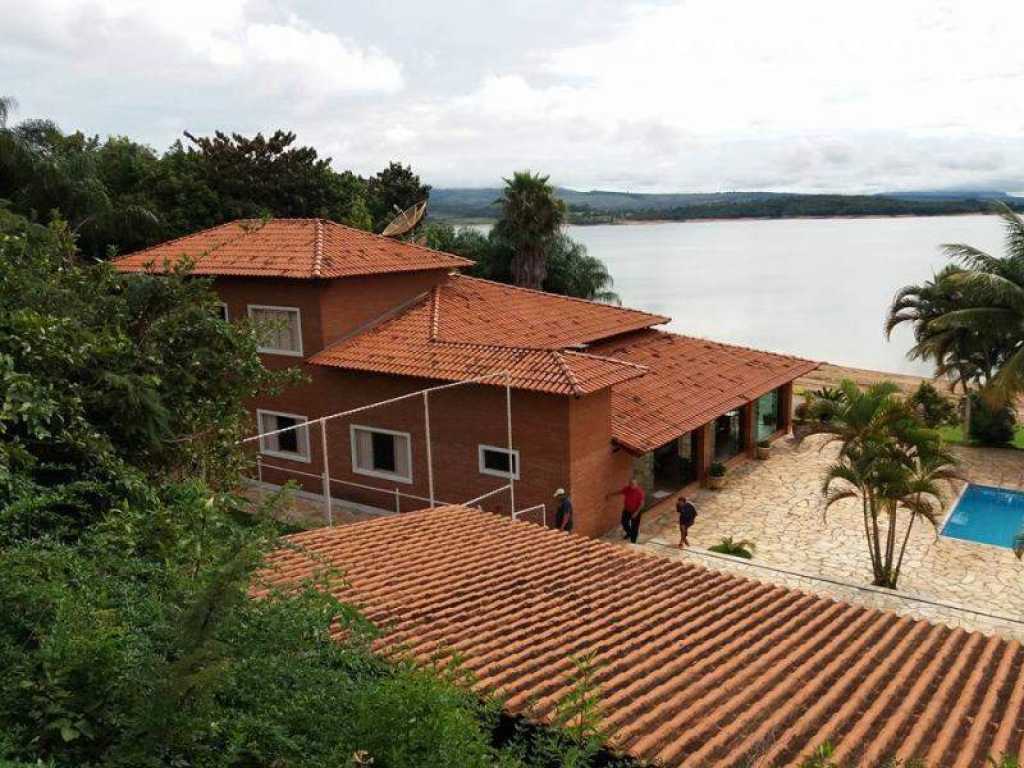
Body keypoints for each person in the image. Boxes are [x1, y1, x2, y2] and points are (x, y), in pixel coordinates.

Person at [608, 477, 645, 543]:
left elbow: (642, 504)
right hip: (627, 510)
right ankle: (629, 533)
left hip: (636, 511)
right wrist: (611, 494)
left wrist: (636, 513)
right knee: (624, 522)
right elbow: (620, 492)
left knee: (635, 527)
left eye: (633, 484)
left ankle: (633, 542)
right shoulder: (627, 489)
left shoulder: (640, 492)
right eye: (630, 483)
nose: (631, 485)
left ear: (636, 484)